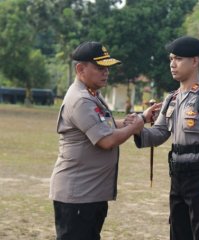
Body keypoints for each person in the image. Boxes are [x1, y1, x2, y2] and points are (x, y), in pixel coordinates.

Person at [133, 36, 199, 240]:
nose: (172, 64)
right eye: (171, 59)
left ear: (194, 61)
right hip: (177, 176)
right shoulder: (172, 98)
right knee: (179, 231)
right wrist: (136, 128)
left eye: (178, 58)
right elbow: (159, 132)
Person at [49, 41, 144, 240]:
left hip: (89, 193)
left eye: (107, 68)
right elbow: (107, 140)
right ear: (80, 69)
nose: (106, 73)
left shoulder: (92, 95)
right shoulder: (81, 99)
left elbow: (102, 125)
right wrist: (135, 126)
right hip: (78, 195)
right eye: (100, 68)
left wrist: (125, 122)